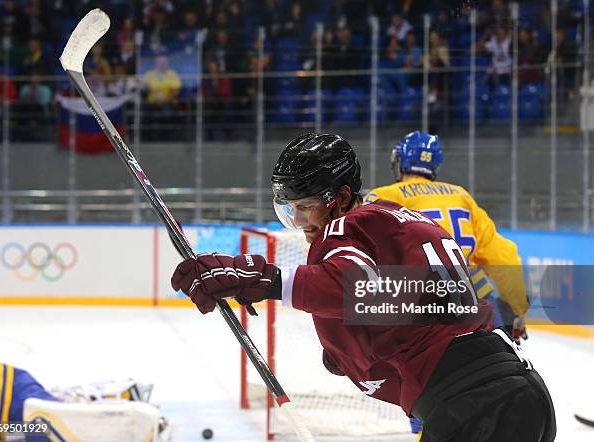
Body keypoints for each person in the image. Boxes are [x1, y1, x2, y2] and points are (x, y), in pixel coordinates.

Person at [171, 133, 556, 441]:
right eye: (289, 210)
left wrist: (264, 278)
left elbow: (356, 287)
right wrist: (351, 348)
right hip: (522, 390)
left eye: (304, 207)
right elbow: (406, 300)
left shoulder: (344, 225)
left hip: (469, 407)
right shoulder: (403, 217)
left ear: (339, 198)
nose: (300, 221)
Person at [365, 131, 530, 343]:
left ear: (401, 162)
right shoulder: (460, 195)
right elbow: (503, 256)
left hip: (418, 302)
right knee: (500, 361)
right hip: (473, 297)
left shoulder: (384, 195)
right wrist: (517, 308)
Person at [0, 356, 165, 441]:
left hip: (13, 398)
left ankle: (125, 421)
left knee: (55, 429)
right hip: (4, 416)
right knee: (54, 427)